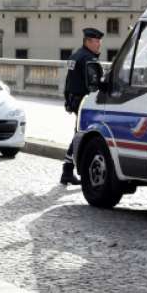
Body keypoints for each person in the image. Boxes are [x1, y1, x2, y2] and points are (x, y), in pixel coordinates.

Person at [60, 27, 104, 185]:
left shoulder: (75, 56)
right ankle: (68, 170)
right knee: (81, 135)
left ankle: (67, 170)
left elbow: (68, 81)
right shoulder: (89, 59)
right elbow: (94, 85)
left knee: (79, 133)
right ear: (88, 41)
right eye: (97, 41)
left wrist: (67, 100)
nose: (99, 44)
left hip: (74, 99)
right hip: (84, 101)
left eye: (100, 41)